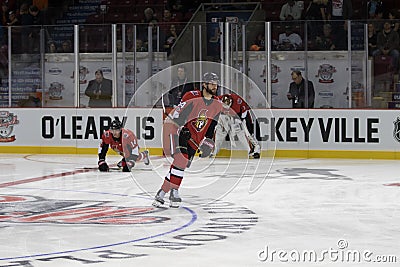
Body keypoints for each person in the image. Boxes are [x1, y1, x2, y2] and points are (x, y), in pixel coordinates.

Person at [154, 72, 223, 208]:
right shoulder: (191, 96)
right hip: (177, 131)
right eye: (211, 83)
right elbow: (179, 114)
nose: (214, 86)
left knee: (179, 166)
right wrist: (181, 127)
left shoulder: (217, 104)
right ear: (204, 84)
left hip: (195, 140)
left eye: (216, 83)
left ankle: (161, 193)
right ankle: (174, 191)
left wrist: (208, 141)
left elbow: (212, 125)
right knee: (181, 160)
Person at [213, 93, 261, 159]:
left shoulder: (238, 101)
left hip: (241, 115)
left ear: (231, 102)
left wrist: (239, 121)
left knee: (247, 133)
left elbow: (244, 113)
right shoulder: (218, 100)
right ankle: (214, 151)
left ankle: (256, 150)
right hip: (227, 116)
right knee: (219, 131)